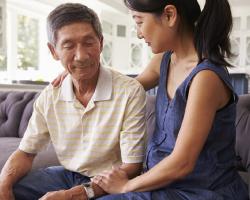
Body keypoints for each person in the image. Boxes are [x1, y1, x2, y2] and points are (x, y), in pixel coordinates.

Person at [52, 0, 249, 199]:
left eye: (139, 22)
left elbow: (183, 163)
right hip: (159, 183)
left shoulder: (206, 77)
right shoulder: (164, 60)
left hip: (200, 191)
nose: (139, 33)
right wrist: (78, 73)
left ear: (169, 15)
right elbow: (120, 91)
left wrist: (126, 186)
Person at [0, 3, 148, 200]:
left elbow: (132, 167)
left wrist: (76, 194)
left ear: (101, 43)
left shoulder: (129, 92)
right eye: (69, 46)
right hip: (66, 175)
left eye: (89, 43)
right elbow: (26, 153)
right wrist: (4, 184)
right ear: (53, 51)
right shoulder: (49, 97)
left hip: (111, 182)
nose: (81, 56)